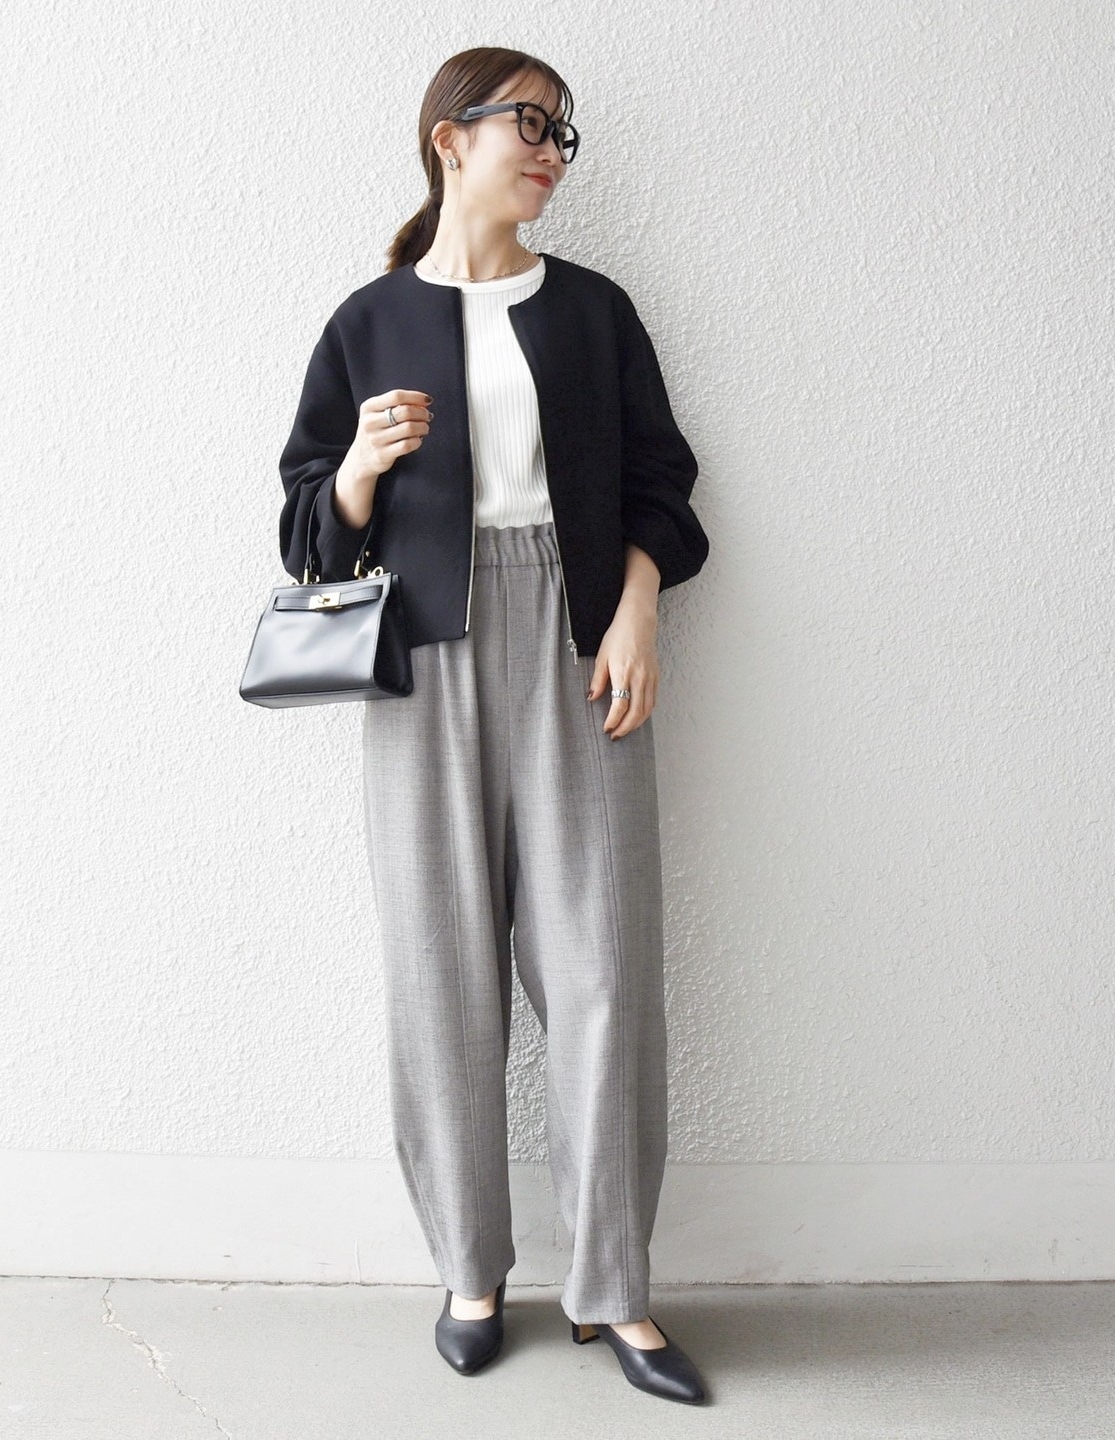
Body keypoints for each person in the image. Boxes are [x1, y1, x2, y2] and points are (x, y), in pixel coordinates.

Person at [278, 47, 710, 1405]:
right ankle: (471, 1272)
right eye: (530, 121)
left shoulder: (591, 312)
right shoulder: (368, 322)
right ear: (449, 137)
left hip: (581, 646)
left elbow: (664, 483)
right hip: (423, 653)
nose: (551, 150)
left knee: (602, 971)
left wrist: (636, 610)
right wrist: (359, 467)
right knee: (441, 971)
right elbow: (305, 531)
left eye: (563, 133)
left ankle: (614, 1289)